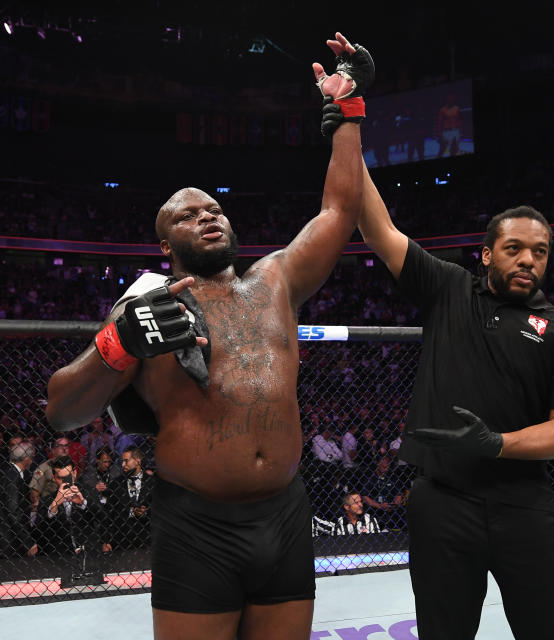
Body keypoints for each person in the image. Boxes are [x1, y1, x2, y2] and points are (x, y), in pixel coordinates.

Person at [44, 32, 373, 640]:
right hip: (196, 527)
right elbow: (61, 410)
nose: (207, 215)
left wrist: (347, 113)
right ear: (164, 245)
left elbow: (338, 212)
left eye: (214, 208)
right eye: (186, 215)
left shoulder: (274, 280)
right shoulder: (148, 309)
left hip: (285, 513)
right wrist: (120, 342)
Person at [334, 91, 554, 636]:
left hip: (524, 500)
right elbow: (376, 228)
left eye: (540, 251)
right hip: (442, 501)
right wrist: (348, 124)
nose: (528, 260)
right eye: (514, 248)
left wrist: (497, 444)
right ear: (486, 254)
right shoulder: (451, 289)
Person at [1, 441, 38, 558]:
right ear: (26, 458)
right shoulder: (13, 476)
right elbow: (13, 510)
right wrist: (27, 542)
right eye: (32, 457)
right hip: (8, 538)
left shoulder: (10, 472)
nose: (32, 460)